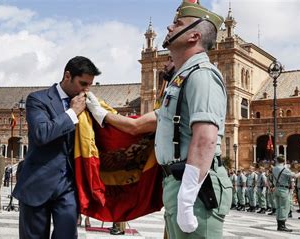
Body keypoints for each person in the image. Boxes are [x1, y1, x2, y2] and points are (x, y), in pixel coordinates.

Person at [85, 1, 231, 237]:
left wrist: (187, 195)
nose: (170, 27)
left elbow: (205, 138)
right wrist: (102, 113)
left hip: (195, 187)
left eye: (177, 23)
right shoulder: (181, 80)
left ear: (194, 35)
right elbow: (137, 125)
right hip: (177, 182)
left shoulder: (202, 75)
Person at [12, 56, 100, 238]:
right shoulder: (38, 99)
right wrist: (72, 112)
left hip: (68, 186)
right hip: (38, 182)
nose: (86, 90)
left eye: (90, 85)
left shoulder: (87, 104)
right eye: (83, 83)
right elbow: (41, 134)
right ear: (67, 76)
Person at [271, 155, 300, 232]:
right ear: (284, 161)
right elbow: (295, 176)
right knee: (284, 207)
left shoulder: (274, 168)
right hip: (283, 189)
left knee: (279, 207)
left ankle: (279, 225)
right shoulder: (284, 169)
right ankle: (282, 225)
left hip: (277, 188)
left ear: (277, 161)